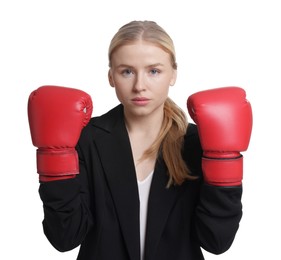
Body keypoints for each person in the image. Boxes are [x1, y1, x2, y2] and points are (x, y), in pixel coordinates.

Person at [28, 20, 253, 260]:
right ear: (111, 76)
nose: (139, 86)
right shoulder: (85, 140)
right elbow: (65, 238)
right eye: (127, 71)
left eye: (154, 71)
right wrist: (54, 158)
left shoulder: (200, 143)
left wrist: (224, 162)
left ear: (173, 74)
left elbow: (216, 242)